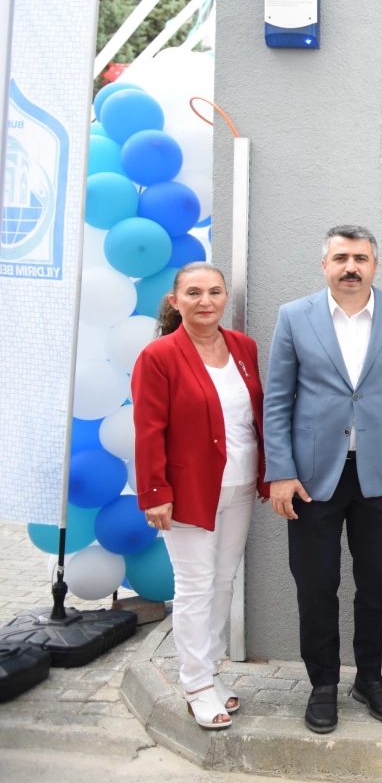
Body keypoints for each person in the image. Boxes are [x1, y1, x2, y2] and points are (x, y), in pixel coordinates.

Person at [261, 226, 382, 735]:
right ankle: (323, 685)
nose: (350, 267)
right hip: (312, 479)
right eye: (341, 258)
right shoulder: (294, 316)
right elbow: (277, 401)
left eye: (360, 258)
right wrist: (281, 473)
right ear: (325, 265)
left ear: (375, 265)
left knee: (377, 585)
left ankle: (370, 677)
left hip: (380, 475)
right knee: (316, 586)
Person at [132, 263, 267, 731]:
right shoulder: (159, 355)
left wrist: (267, 474)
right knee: (194, 587)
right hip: (189, 490)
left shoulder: (243, 347)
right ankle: (194, 684)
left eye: (214, 292)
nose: (205, 301)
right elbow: (148, 429)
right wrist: (155, 493)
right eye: (193, 293)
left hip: (241, 484)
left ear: (226, 297)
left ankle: (210, 670)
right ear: (176, 301)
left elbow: (254, 416)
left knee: (223, 582)